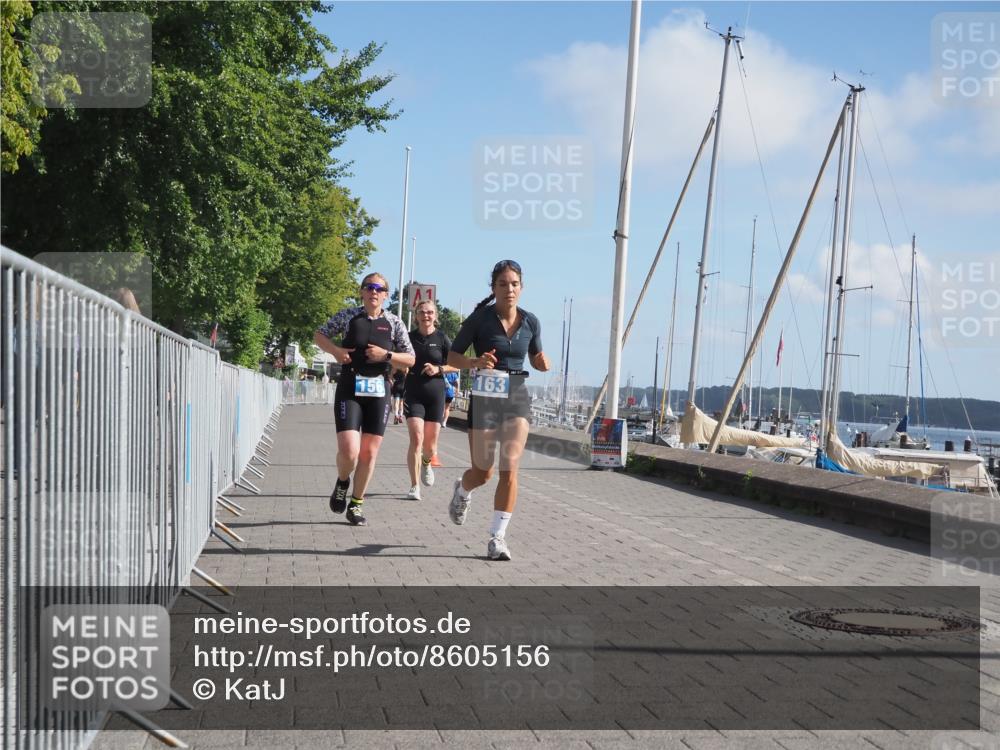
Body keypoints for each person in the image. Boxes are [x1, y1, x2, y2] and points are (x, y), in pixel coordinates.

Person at [446, 260, 549, 561]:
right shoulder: (479, 319)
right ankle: (463, 490)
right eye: (503, 284)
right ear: (493, 288)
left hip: (516, 396)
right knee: (483, 472)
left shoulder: (531, 322)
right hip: (485, 398)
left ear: (522, 287)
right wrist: (474, 362)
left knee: (510, 466)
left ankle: (497, 537)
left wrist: (542, 363)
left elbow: (537, 357)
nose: (509, 289)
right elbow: (452, 356)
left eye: (514, 284)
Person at [314, 273, 415, 526]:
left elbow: (410, 358)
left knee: (369, 453)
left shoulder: (394, 322)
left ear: (386, 295)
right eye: (369, 287)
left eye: (379, 288)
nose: (374, 292)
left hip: (379, 390)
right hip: (350, 387)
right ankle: (342, 481)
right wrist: (335, 351)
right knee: (350, 451)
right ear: (362, 291)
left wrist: (387, 355)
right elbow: (319, 335)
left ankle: (356, 504)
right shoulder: (349, 316)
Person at [402, 299, 459, 500]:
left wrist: (439, 368)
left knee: (430, 447)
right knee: (416, 438)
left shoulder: (442, 338)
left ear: (435, 316)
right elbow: (399, 358)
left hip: (435, 393)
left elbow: (457, 364)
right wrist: (399, 366)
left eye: (430, 312)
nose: (426, 315)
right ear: (416, 316)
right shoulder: (409, 338)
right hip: (413, 392)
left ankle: (426, 462)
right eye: (422, 312)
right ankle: (414, 485)